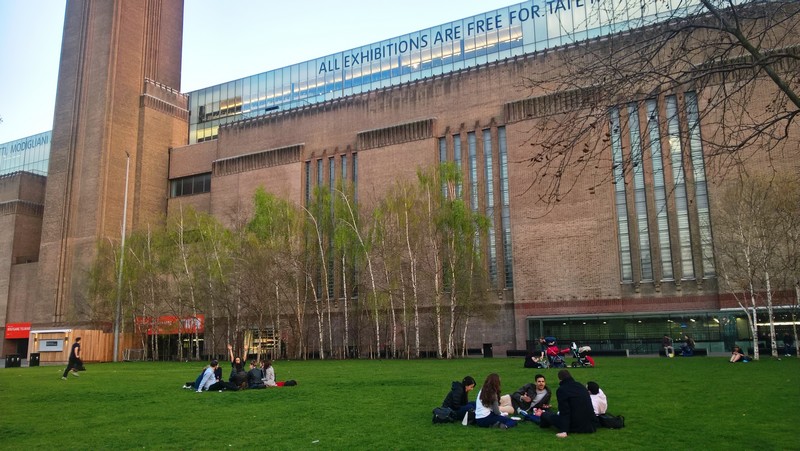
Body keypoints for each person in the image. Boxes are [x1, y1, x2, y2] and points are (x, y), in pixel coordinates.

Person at [539, 369, 596, 438]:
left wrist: (564, 430)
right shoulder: (581, 386)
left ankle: (542, 425)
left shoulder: (562, 390)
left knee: (545, 414)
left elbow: (565, 411)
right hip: (589, 425)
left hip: (574, 425)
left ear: (560, 379)